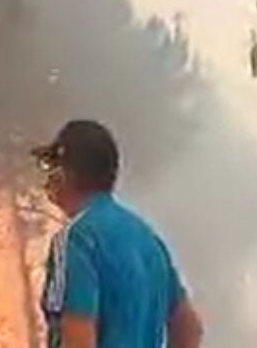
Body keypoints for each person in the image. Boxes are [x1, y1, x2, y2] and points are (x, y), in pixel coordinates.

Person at [33, 119, 204, 348]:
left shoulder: (77, 240)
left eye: (50, 166)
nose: (46, 177)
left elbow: (78, 337)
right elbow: (189, 329)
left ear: (65, 172)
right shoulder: (149, 241)